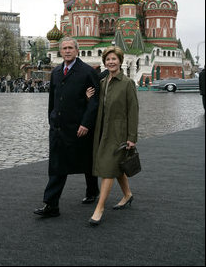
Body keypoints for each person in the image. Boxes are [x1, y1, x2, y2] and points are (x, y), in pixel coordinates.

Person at [34, 37, 100, 218]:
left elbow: (94, 102)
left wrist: (86, 123)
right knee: (56, 165)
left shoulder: (87, 72)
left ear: (77, 50)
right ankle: (51, 204)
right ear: (60, 52)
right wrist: (51, 118)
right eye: (64, 48)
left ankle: (92, 191)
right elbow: (52, 99)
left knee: (87, 161)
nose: (67, 51)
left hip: (78, 127)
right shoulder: (56, 72)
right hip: (58, 127)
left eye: (71, 48)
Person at [86, 46, 139, 226]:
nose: (111, 62)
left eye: (114, 59)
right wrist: (89, 98)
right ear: (104, 62)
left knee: (108, 169)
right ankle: (128, 194)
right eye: (108, 59)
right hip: (103, 131)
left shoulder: (127, 83)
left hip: (119, 133)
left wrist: (132, 137)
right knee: (115, 167)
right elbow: (99, 106)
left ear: (120, 61)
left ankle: (99, 208)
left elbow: (133, 111)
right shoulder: (102, 83)